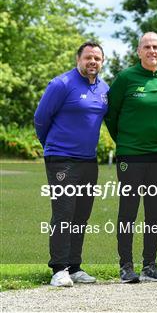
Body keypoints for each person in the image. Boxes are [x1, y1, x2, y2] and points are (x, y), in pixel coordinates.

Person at [34, 41, 109, 287]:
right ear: (79, 59)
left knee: (81, 214)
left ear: (102, 62)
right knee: (64, 213)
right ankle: (58, 269)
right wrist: (53, 148)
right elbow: (41, 119)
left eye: (97, 58)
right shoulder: (61, 84)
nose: (92, 62)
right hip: (62, 161)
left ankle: (74, 267)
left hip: (89, 161)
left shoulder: (104, 89)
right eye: (88, 57)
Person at [105, 32, 157, 283]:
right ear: (138, 51)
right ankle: (126, 266)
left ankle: (150, 265)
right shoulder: (125, 78)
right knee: (128, 211)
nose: (151, 51)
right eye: (146, 47)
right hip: (130, 155)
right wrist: (125, 141)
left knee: (155, 212)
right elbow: (110, 115)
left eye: (156, 47)